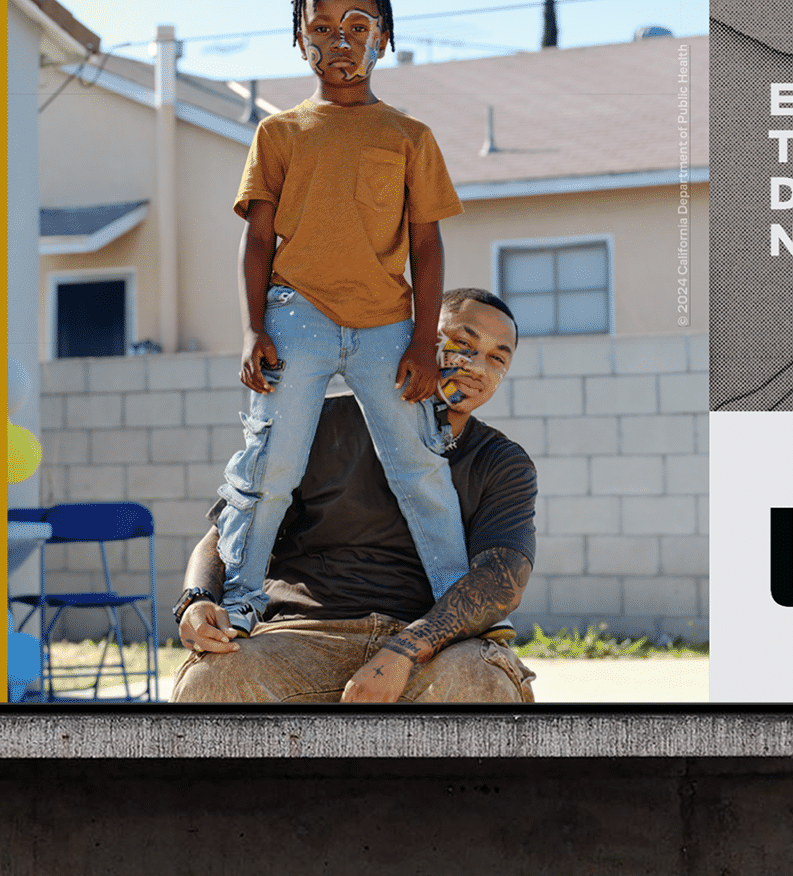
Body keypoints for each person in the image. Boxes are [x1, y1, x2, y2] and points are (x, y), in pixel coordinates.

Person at [212, 0, 469, 633]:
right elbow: (257, 240)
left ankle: (461, 612)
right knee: (272, 467)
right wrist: (251, 329)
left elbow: (427, 246)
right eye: (321, 29)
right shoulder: (280, 134)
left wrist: (421, 340)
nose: (341, 42)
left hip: (388, 326)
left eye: (357, 27)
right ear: (299, 43)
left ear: (384, 37)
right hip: (295, 316)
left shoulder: (409, 137)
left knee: (419, 469)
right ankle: (239, 604)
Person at [172, 289, 537, 703]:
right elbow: (224, 536)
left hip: (429, 647)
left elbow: (501, 580)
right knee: (210, 680)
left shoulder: (502, 462)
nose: (476, 367)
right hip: (298, 639)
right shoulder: (319, 424)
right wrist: (195, 599)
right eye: (464, 345)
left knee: (481, 680)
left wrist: (403, 651)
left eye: (497, 358)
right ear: (419, 340)